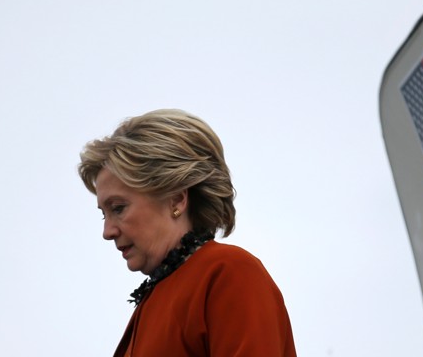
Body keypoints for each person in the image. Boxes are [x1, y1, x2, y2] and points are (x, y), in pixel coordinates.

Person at [78, 109, 297, 357]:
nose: (107, 232)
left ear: (176, 200)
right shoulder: (155, 299)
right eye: (104, 214)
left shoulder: (229, 272)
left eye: (118, 208)